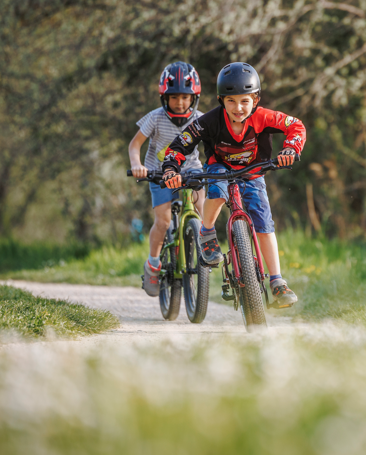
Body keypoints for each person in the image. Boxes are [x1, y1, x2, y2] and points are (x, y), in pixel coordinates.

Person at [160, 62, 305, 307]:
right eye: (231, 101)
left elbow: (295, 126)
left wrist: (290, 149)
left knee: (263, 221)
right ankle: (207, 233)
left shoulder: (264, 117)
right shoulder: (208, 122)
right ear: (220, 100)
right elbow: (180, 144)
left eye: (245, 101)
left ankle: (277, 282)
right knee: (216, 191)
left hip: (253, 171)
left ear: (255, 99)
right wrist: (171, 168)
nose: (238, 108)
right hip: (220, 168)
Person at [128, 61, 205, 297]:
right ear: (164, 97)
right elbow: (135, 145)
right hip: (159, 173)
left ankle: (201, 249)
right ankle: (153, 264)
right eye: (174, 97)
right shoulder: (156, 117)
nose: (180, 102)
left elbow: (214, 146)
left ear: (194, 97)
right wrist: (137, 165)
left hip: (191, 172)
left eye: (185, 97)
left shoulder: (201, 119)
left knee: (202, 213)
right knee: (162, 222)